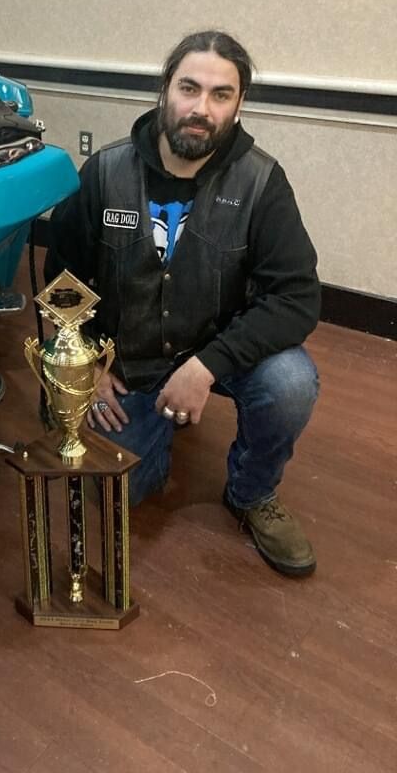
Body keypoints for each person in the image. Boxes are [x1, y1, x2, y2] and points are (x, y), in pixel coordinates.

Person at [44, 30, 320, 577]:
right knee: (123, 491)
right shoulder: (104, 172)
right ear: (165, 88)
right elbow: (62, 282)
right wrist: (88, 365)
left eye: (221, 94)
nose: (201, 108)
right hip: (130, 361)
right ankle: (157, 419)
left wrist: (205, 367)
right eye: (189, 88)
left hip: (221, 349)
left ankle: (252, 493)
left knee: (291, 382)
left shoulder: (262, 181)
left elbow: (297, 297)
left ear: (239, 104)